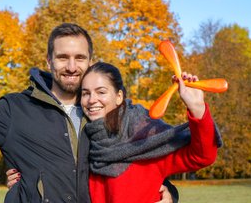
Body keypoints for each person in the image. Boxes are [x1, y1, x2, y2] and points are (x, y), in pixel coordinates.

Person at [0, 23, 177, 202]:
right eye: (63, 58)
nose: (72, 67)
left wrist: (170, 193)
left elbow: (141, 164)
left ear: (90, 61)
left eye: (80, 58)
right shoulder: (14, 110)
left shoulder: (108, 112)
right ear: (49, 61)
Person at [80, 62, 221, 203]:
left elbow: (202, 156)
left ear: (119, 96)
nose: (92, 100)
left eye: (101, 92)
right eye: (85, 93)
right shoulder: (83, 138)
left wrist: (196, 107)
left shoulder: (144, 133)